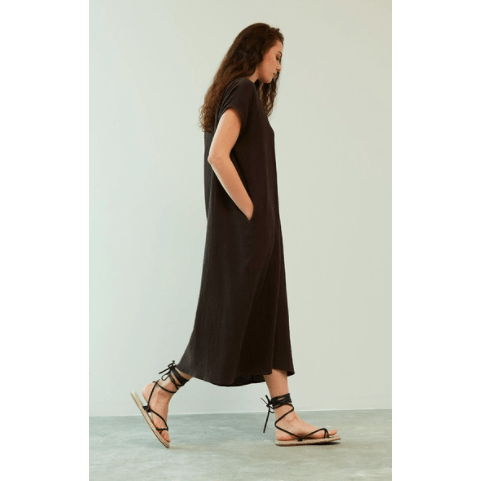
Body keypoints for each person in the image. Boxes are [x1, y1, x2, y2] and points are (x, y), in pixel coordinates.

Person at [131, 23, 340, 448]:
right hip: (247, 232)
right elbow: (218, 155)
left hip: (257, 231)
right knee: (228, 317)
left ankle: (286, 417)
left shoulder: (240, 94)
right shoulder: (242, 90)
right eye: (277, 56)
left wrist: (259, 218)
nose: (279, 67)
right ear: (256, 51)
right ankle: (161, 390)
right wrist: (251, 210)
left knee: (268, 314)